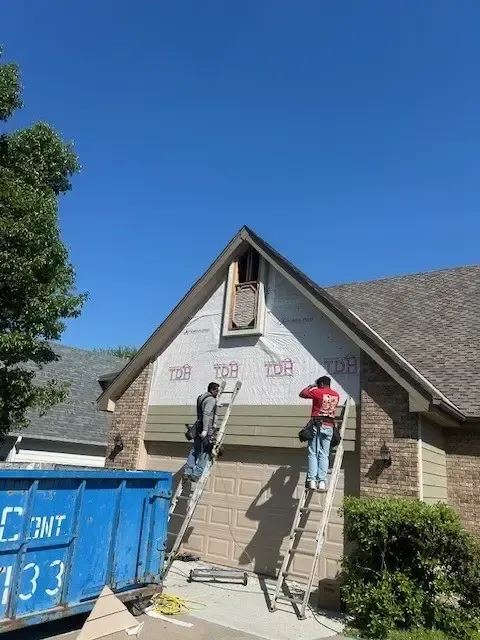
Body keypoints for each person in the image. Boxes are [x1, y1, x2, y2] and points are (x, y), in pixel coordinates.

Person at [299, 376, 340, 492]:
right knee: (324, 454)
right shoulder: (336, 395)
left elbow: (302, 394)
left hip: (318, 425)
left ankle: (312, 480)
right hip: (330, 426)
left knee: (313, 452)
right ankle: (322, 481)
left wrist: (311, 386)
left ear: (321, 383)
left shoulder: (317, 392)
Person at [183, 382, 220, 482]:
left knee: (195, 449)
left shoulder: (200, 397)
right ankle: (196, 474)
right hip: (206, 429)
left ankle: (187, 472)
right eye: (216, 390)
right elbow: (206, 414)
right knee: (206, 451)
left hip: (198, 426)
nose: (217, 392)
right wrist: (205, 430)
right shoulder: (211, 400)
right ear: (212, 390)